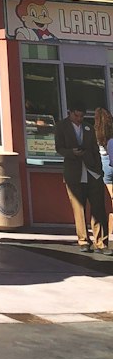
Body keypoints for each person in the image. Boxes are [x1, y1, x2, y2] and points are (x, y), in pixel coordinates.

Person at [54, 104, 107, 252]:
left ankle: (101, 242)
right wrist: (71, 152)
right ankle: (83, 240)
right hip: (74, 171)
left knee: (98, 207)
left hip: (92, 171)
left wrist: (99, 169)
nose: (79, 119)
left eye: (81, 116)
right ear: (70, 113)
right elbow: (59, 148)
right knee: (79, 206)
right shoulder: (61, 127)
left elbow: (95, 150)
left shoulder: (88, 127)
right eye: (76, 116)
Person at [95, 106, 113, 257]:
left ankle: (107, 233)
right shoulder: (111, 134)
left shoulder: (96, 133)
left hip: (103, 165)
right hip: (111, 162)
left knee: (105, 203)